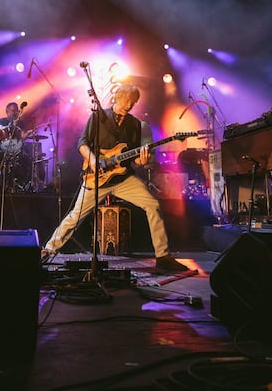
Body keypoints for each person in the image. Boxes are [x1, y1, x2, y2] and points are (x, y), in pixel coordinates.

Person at [41, 83, 188, 272]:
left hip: (123, 179)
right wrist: (92, 159)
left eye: (133, 102)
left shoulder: (135, 124)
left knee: (153, 205)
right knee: (75, 217)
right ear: (117, 97)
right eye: (127, 100)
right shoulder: (98, 117)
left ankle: (163, 256)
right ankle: (47, 250)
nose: (129, 105)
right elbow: (82, 143)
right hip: (97, 178)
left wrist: (142, 161)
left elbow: (133, 159)